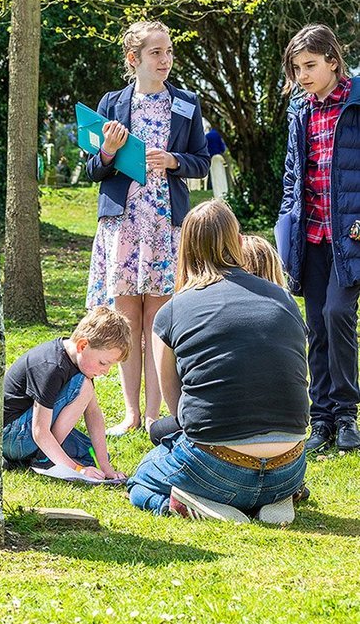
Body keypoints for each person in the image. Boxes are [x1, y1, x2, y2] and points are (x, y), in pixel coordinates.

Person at [128, 200, 309, 523]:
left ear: (185, 248)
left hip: (216, 466)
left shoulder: (172, 310)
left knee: (141, 479)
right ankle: (272, 500)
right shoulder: (283, 298)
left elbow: (176, 406)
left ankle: (193, 505)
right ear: (239, 242)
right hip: (290, 463)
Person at [85, 20, 210, 436]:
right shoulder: (112, 103)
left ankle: (156, 415)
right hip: (122, 224)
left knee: (158, 321)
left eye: (169, 51)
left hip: (164, 223)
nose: (165, 60)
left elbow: (201, 162)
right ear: (133, 59)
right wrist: (108, 149)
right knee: (125, 321)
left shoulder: (187, 103)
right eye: (156, 53)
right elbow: (93, 168)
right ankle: (130, 414)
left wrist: (174, 161)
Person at [276, 23, 360, 453]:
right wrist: (285, 225)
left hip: (351, 236)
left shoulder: (357, 102)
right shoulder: (301, 111)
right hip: (309, 236)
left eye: (310, 65)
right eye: (296, 68)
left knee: (337, 314)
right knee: (315, 327)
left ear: (332, 59)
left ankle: (347, 415)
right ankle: (321, 419)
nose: (302, 75)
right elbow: (293, 176)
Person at [147, 232, 288, 445]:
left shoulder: (204, 309)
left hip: (219, 431)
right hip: (285, 434)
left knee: (159, 434)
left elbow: (178, 402)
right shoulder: (286, 311)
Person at [1, 307, 130, 480]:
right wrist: (77, 470)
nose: (106, 371)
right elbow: (39, 430)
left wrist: (105, 466)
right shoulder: (51, 366)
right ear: (83, 345)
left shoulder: (81, 364)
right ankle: (43, 460)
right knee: (84, 386)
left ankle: (38, 457)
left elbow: (93, 414)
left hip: (27, 434)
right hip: (10, 436)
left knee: (89, 453)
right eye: (103, 363)